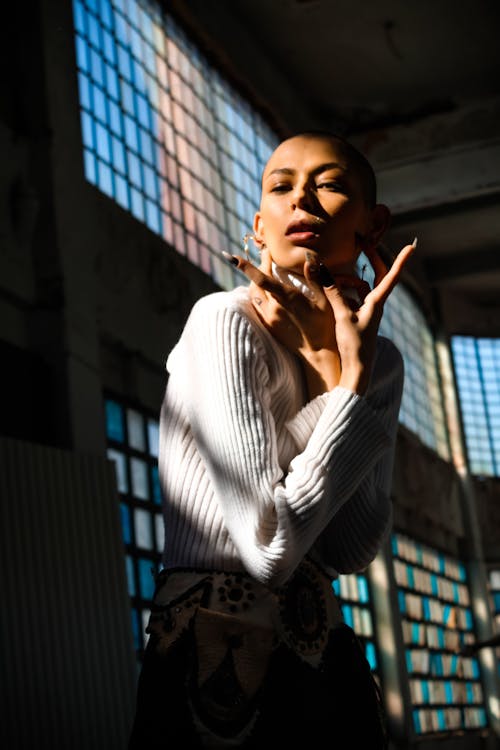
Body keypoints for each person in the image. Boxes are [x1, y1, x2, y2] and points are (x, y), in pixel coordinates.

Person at [128, 131, 416, 748]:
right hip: (214, 649)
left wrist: (336, 363)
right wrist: (343, 387)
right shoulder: (223, 320)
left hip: (325, 648)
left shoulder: (382, 360)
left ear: (373, 223)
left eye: (330, 184)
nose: (302, 200)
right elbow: (271, 550)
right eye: (281, 187)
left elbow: (351, 547)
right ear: (260, 226)